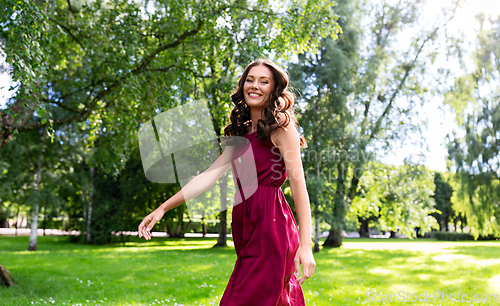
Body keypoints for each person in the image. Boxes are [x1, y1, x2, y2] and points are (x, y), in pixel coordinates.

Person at [138, 58, 316, 305]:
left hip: (272, 226)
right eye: (250, 80)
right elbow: (207, 177)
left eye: (264, 81)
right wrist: (162, 208)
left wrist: (305, 246)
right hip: (246, 225)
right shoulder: (240, 134)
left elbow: (299, 189)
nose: (255, 86)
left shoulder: (282, 130)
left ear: (274, 90)